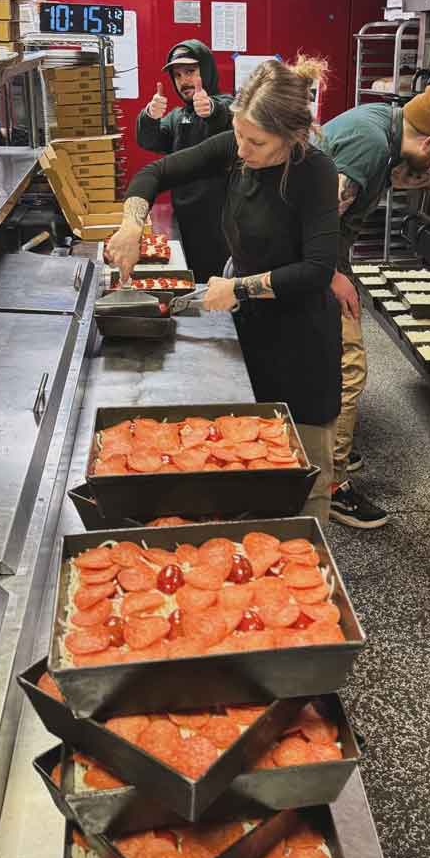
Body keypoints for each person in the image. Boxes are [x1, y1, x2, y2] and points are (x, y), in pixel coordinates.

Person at [108, 57, 342, 527]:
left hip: (302, 345)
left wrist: (239, 287)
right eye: (238, 135)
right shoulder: (238, 147)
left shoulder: (314, 172)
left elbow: (316, 271)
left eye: (256, 142)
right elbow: (154, 175)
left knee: (304, 472)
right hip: (249, 332)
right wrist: (132, 224)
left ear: (293, 136)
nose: (243, 148)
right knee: (248, 461)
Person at [321, 86, 430, 529]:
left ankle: (322, 447)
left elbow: (400, 178)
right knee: (348, 368)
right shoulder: (370, 143)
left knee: (319, 361)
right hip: (313, 260)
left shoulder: (384, 125)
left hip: (317, 258)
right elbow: (317, 219)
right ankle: (330, 485)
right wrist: (331, 274)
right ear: (429, 142)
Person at [136, 39, 233, 283]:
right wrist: (149, 116)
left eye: (190, 71)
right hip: (186, 221)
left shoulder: (228, 104)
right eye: (177, 75)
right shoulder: (178, 117)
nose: (184, 80)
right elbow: (150, 140)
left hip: (222, 224)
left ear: (207, 70)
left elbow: (225, 116)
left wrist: (210, 109)